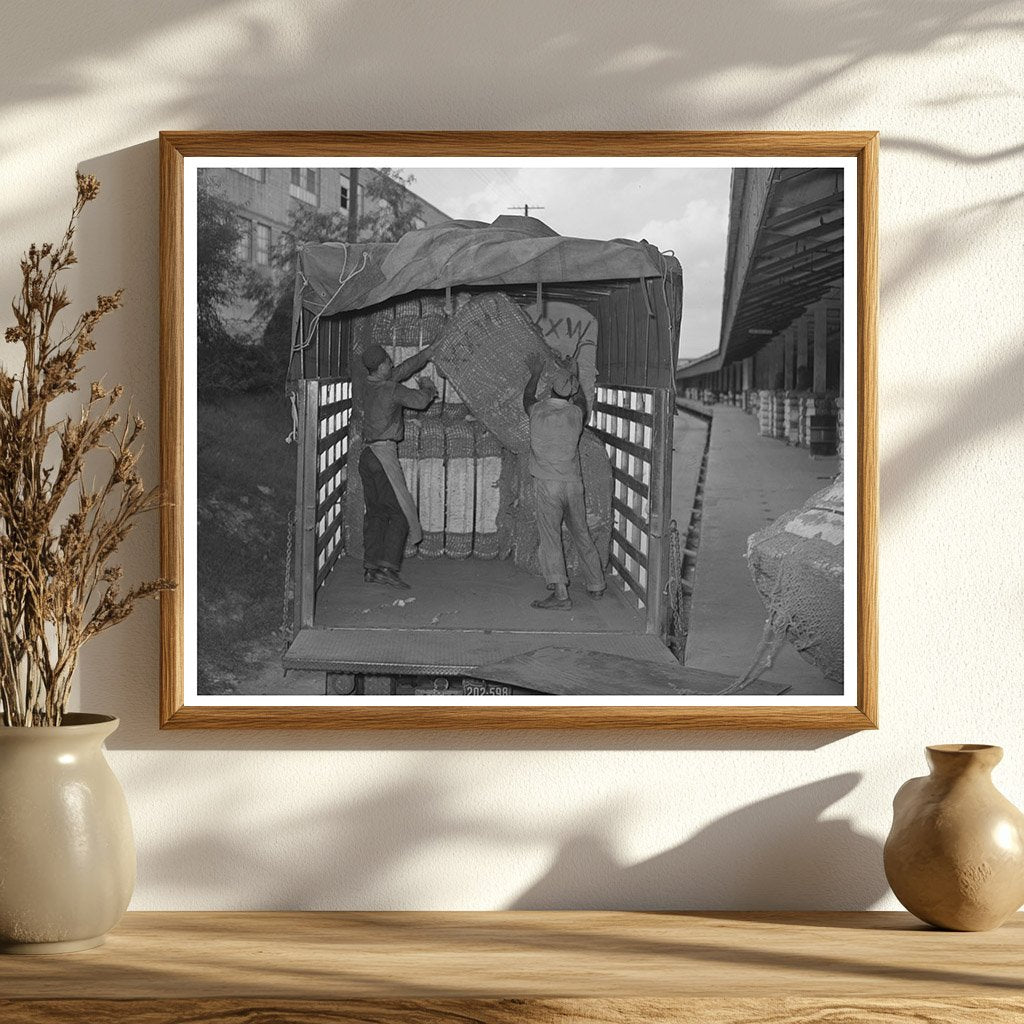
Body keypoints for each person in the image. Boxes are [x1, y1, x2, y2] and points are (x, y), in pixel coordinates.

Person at [522, 352, 606, 611]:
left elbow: (527, 397)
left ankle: (560, 595)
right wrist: (575, 374)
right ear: (570, 394)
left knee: (551, 537)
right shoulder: (575, 415)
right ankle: (596, 585)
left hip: (548, 485)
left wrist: (535, 373)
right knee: (582, 533)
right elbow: (582, 400)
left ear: (550, 391)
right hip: (572, 484)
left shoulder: (537, 411)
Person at [359, 342, 437, 589]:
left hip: (366, 456)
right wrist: (428, 385)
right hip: (383, 457)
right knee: (401, 513)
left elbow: (402, 370)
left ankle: (371, 567)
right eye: (388, 362)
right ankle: (387, 569)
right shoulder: (391, 390)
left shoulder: (368, 384)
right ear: (381, 366)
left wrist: (426, 354)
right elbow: (420, 401)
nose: (392, 364)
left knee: (377, 513)